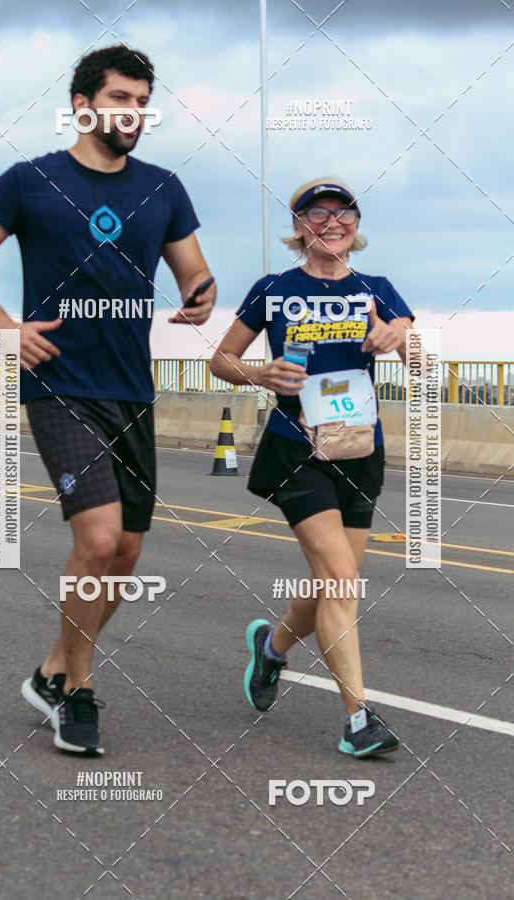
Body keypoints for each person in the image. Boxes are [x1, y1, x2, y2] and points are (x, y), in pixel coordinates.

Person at [0, 45, 216, 755]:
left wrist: (199, 297)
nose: (133, 112)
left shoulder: (163, 188)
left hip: (130, 386)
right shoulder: (30, 181)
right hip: (60, 382)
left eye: (141, 100)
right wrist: (7, 330)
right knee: (95, 541)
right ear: (84, 104)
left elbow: (196, 274)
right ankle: (79, 688)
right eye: (120, 98)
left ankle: (51, 669)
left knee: (124, 552)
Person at [210, 177, 413, 757]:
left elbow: (420, 360)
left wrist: (399, 333)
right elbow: (222, 358)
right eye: (317, 213)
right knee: (344, 583)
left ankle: (271, 650)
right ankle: (357, 722)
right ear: (299, 226)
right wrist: (260, 373)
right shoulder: (274, 289)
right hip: (295, 447)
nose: (332, 221)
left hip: (360, 449)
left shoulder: (378, 289)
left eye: (343, 212)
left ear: (355, 226)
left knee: (332, 580)